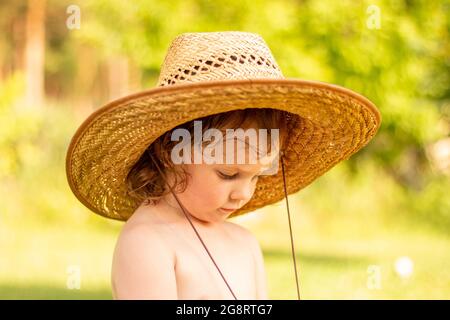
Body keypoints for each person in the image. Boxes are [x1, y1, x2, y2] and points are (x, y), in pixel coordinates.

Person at [65, 31, 381, 300]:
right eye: (228, 174)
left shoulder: (245, 245)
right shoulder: (149, 242)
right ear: (169, 151)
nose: (243, 193)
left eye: (257, 175)